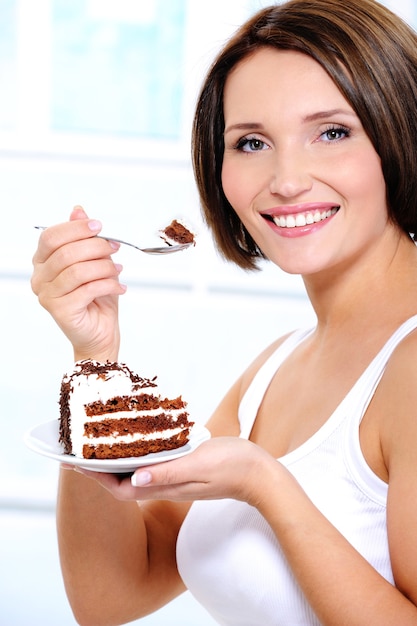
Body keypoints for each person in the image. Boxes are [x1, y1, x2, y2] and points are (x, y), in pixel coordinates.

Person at [31, 0, 417, 624]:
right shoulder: (277, 367)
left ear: (398, 133)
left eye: (333, 132)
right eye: (252, 142)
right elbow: (110, 597)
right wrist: (95, 360)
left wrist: (267, 488)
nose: (287, 179)